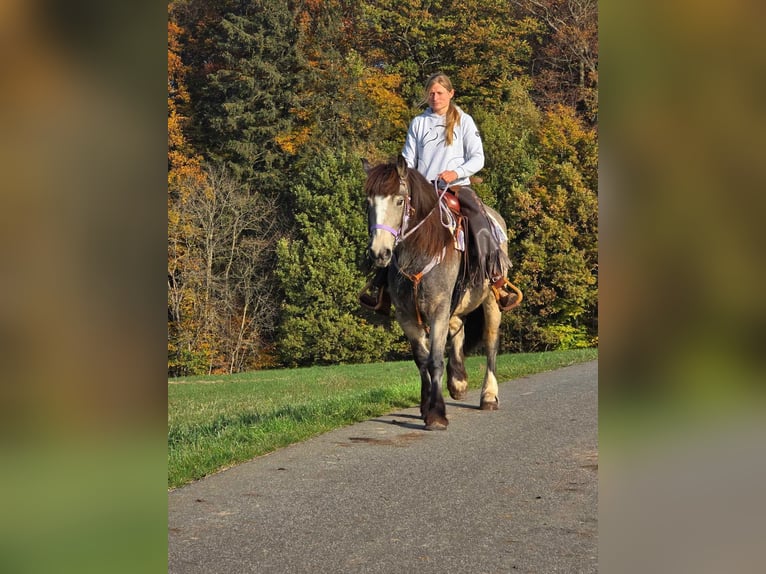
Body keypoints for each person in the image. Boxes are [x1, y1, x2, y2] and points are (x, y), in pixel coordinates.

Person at [360, 72, 518, 314]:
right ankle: (381, 287)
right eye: (431, 93)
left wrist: (456, 173)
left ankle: (497, 282)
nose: (435, 97)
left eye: (440, 93)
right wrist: (404, 178)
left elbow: (478, 158)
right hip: (423, 190)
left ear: (451, 94)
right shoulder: (418, 123)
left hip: (456, 187)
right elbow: (409, 159)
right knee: (393, 224)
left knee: (478, 218)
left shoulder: (464, 121)